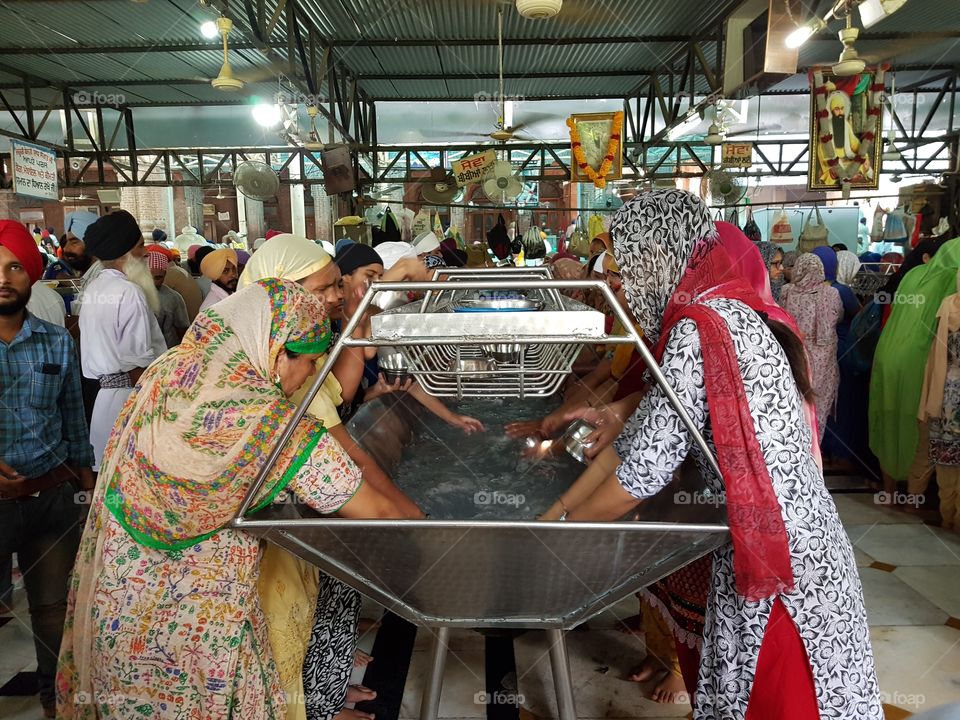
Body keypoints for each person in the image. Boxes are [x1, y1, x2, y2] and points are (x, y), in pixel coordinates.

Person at [564, 189, 882, 719]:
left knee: (777, 693)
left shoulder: (697, 325)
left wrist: (560, 532)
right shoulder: (742, 309)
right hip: (809, 543)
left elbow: (642, 470)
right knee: (820, 691)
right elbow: (657, 427)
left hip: (775, 557)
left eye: (631, 264)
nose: (628, 282)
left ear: (658, 255)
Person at [57, 279, 413, 720]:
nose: (309, 378)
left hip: (122, 600)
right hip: (206, 622)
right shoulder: (274, 426)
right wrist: (425, 531)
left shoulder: (166, 373)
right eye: (311, 363)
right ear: (279, 353)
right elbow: (373, 510)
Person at [237, 235, 421, 720]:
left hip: (288, 527)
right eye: (325, 288)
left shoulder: (282, 353)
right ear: (278, 293)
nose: (337, 296)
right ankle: (313, 706)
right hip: (265, 543)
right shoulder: (270, 382)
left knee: (307, 614)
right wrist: (414, 523)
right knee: (282, 628)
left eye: (339, 286)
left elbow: (335, 385)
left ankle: (319, 696)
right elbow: (348, 462)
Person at [0, 221, 95, 718]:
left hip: (51, 499)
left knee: (54, 611)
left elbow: (72, 416)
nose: (3, 277)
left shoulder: (56, 341)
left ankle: (58, 703)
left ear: (32, 275)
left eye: (14, 266)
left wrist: (85, 479)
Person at [335, 242, 484, 433]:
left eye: (380, 277)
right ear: (344, 278)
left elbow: (408, 380)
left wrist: (452, 418)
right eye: (369, 275)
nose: (374, 283)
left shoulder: (374, 315)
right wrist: (405, 268)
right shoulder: (335, 325)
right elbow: (337, 397)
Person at [870, 237, 960, 495]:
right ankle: (912, 499)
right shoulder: (951, 280)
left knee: (888, 417)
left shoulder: (914, 273)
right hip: (918, 359)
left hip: (888, 351)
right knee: (915, 430)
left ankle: (888, 491)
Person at [78, 210, 167, 471]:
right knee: (134, 480)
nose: (146, 253)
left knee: (111, 481)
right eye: (140, 246)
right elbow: (140, 366)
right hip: (131, 402)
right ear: (124, 252)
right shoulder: (129, 292)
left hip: (105, 403)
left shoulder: (94, 288)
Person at [780, 253, 843, 439]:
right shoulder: (831, 294)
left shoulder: (786, 291)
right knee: (819, 406)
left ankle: (796, 447)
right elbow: (838, 317)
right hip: (823, 363)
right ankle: (815, 450)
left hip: (794, 356)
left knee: (795, 404)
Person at [919, 273, 960, 531]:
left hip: (949, 392)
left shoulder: (949, 306)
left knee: (947, 458)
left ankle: (948, 516)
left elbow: (938, 354)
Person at [147, 250, 190, 348]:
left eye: (158, 278)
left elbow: (183, 329)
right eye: (148, 276)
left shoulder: (173, 297)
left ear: (165, 275)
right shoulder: (133, 295)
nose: (152, 282)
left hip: (167, 350)